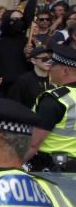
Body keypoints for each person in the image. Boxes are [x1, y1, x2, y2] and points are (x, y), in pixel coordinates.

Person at [28, 43, 76, 172]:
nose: (49, 69)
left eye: (53, 65)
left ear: (65, 70)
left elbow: (33, 144)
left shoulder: (55, 100)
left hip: (53, 171)